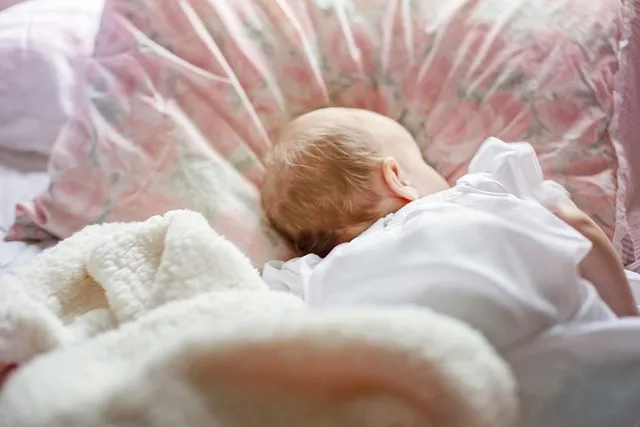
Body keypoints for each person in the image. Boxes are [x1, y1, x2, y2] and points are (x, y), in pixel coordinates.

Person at [261, 107, 639, 319]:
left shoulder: (312, 274)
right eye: (422, 161)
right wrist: (627, 319)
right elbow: (576, 226)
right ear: (398, 178)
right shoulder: (475, 194)